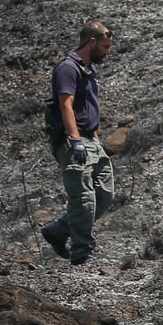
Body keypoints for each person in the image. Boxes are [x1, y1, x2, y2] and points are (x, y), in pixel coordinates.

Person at [40, 21, 115, 266]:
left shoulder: (90, 70)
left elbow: (89, 106)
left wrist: (94, 137)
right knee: (84, 198)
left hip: (91, 139)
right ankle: (82, 253)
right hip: (74, 141)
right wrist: (75, 140)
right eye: (104, 47)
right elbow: (66, 105)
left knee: (104, 196)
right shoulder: (67, 68)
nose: (107, 51)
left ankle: (58, 231)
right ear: (91, 42)